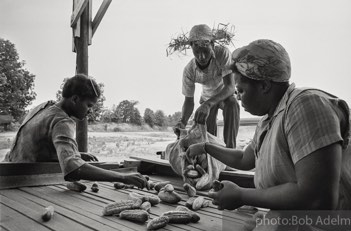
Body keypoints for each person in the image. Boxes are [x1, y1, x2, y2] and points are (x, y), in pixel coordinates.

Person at [186, 39, 351, 231]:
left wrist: (241, 195)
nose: (237, 98)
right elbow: (244, 159)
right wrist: (205, 147)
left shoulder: (306, 106)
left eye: (240, 90)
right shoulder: (268, 120)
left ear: (265, 86)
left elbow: (317, 197)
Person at [4, 74, 147, 188]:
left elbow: (36, 148)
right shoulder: (62, 121)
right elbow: (72, 168)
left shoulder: (44, 107)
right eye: (89, 105)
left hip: (6, 169)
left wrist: (75, 154)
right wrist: (122, 177)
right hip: (19, 181)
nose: (89, 111)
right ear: (75, 99)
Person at [173, 24, 240, 148]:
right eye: (197, 52)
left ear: (213, 45)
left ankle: (231, 150)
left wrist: (208, 104)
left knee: (232, 104)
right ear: (191, 47)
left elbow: (230, 87)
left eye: (205, 51)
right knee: (209, 137)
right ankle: (212, 156)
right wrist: (182, 122)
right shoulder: (189, 70)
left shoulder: (222, 54)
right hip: (206, 98)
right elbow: (188, 101)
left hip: (224, 95)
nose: (202, 57)